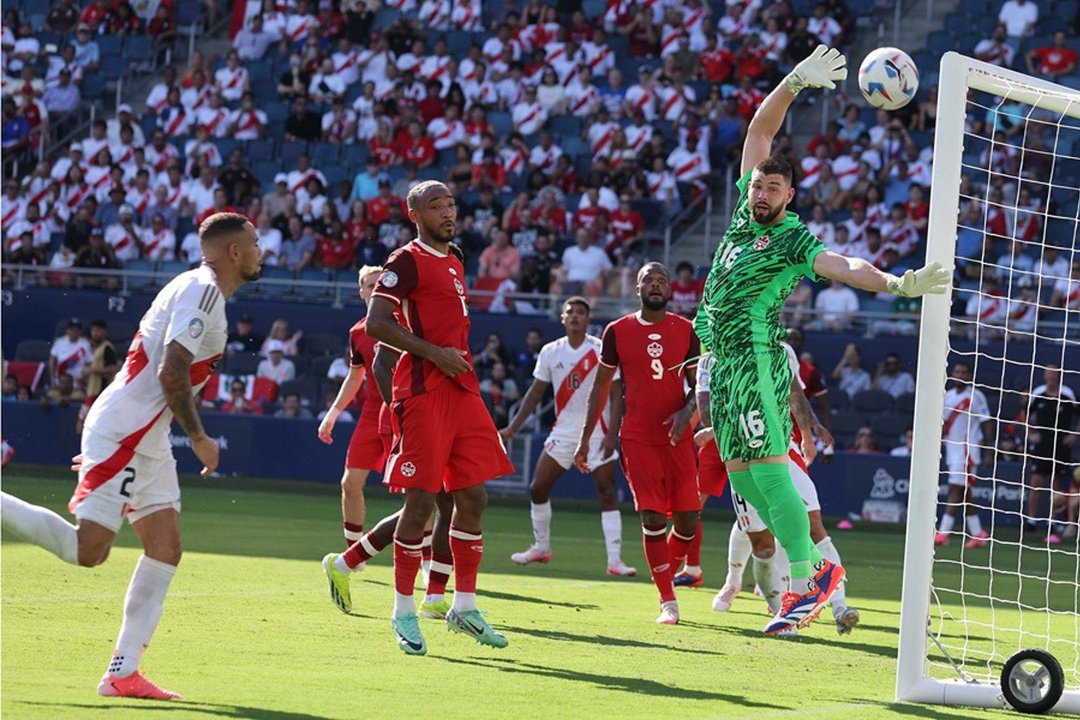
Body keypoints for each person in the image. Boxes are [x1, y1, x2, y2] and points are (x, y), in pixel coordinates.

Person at [693, 45, 950, 635]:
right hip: (722, 362)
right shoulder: (740, 215)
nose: (762, 195)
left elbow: (842, 264)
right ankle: (808, 582)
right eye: (758, 187)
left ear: (789, 196)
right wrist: (793, 83)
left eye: (773, 189)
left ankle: (810, 580)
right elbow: (760, 129)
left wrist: (896, 282)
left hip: (757, 356)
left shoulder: (790, 239)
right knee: (739, 472)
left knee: (767, 466)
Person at [1, 213, 262, 699]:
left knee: (166, 547)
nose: (261, 251)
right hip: (129, 433)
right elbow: (170, 370)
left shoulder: (194, 288)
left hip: (143, 438)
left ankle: (122, 672)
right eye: (255, 243)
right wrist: (200, 438)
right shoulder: (203, 290)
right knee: (88, 552)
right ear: (234, 252)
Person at [322, 181, 513, 655]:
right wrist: (434, 356)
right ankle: (404, 612)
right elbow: (376, 325)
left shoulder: (454, 260)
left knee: (473, 497)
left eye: (451, 204)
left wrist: (450, 360)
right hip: (425, 392)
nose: (448, 212)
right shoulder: (404, 260)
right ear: (414, 213)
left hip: (462, 389)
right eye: (436, 206)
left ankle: (463, 606)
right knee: (421, 506)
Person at [696, 344, 860, 635]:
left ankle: (836, 604)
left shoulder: (776, 347)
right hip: (737, 445)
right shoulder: (710, 359)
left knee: (812, 523)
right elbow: (707, 405)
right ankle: (757, 593)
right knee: (762, 541)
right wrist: (718, 429)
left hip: (779, 444)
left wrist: (808, 432)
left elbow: (793, 389)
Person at [574, 262, 700, 625]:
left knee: (688, 523)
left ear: (670, 290)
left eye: (662, 280)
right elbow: (600, 386)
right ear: (638, 289)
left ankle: (664, 572)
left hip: (677, 438)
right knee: (653, 517)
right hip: (638, 438)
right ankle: (667, 600)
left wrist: (688, 411)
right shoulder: (617, 331)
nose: (656, 285)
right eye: (649, 280)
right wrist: (587, 438)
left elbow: (699, 385)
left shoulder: (687, 330)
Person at [500, 297, 635, 577]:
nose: (575, 316)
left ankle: (615, 561)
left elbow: (616, 393)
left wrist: (613, 433)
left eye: (581, 312)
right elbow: (535, 393)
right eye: (570, 312)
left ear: (588, 319)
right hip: (563, 430)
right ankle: (541, 547)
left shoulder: (601, 350)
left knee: (607, 492)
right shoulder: (551, 351)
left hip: (598, 430)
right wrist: (513, 427)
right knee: (538, 487)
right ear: (562, 318)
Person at [317, 266, 389, 548]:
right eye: (370, 285)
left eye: (380, 283)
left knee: (415, 491)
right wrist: (332, 414)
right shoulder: (358, 331)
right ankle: (353, 553)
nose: (376, 288)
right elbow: (355, 375)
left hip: (408, 413)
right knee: (350, 483)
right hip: (373, 415)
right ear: (362, 293)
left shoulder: (407, 321)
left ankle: (427, 560)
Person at [935, 363, 993, 549]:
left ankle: (943, 534)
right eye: (957, 371)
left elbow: (987, 423)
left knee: (955, 490)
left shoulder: (976, 396)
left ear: (969, 375)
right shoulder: (947, 397)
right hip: (952, 451)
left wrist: (990, 451)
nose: (960, 374)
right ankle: (977, 533)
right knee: (965, 493)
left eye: (964, 372)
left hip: (967, 451)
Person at [1025, 364, 1077, 543]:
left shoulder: (1068, 394)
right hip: (1042, 444)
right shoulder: (1038, 393)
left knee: (1056, 484)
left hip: (1061, 444)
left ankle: (1052, 522)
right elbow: (1025, 415)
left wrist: (1075, 434)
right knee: (1036, 482)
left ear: (1060, 375)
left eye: (1055, 374)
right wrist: (1030, 433)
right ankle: (1031, 520)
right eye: (1049, 373)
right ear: (1044, 375)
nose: (1051, 376)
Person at [49, 318, 93, 385]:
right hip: (60, 383)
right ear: (67, 330)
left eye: (77, 329)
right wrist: (53, 380)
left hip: (78, 382)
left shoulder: (85, 344)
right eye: (72, 329)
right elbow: (52, 360)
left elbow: (89, 363)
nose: (74, 331)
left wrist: (83, 378)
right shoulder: (59, 342)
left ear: (80, 331)